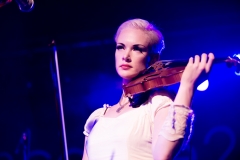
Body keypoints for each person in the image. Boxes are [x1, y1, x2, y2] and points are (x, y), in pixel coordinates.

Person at [82, 18, 214, 160]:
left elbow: (163, 156)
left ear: (153, 59)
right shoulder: (97, 117)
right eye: (120, 47)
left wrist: (188, 85)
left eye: (137, 49)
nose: (125, 56)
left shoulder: (158, 104)